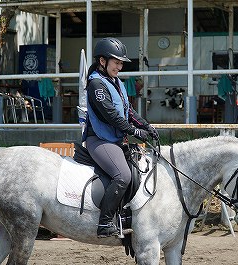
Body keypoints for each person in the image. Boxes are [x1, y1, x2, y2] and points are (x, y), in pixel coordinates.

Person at [83, 37, 159, 238]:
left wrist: (146, 126)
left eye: (121, 63)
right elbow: (111, 115)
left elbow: (129, 112)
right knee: (122, 176)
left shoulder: (116, 83)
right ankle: (105, 222)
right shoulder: (96, 85)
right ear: (102, 61)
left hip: (114, 140)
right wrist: (135, 132)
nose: (120, 66)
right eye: (116, 62)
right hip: (99, 140)